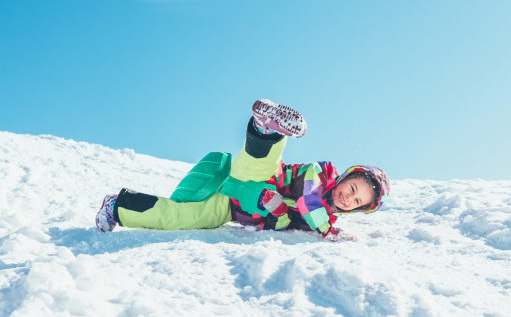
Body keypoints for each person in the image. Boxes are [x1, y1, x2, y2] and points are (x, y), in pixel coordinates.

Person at [95, 99, 390, 241]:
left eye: (356, 201)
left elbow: (291, 220)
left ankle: (118, 206)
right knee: (260, 166)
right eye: (351, 188)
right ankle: (268, 130)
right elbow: (307, 200)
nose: (348, 198)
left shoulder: (322, 217)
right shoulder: (318, 175)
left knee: (179, 217)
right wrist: (328, 230)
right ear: (343, 177)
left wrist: (274, 212)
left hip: (231, 207)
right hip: (249, 177)